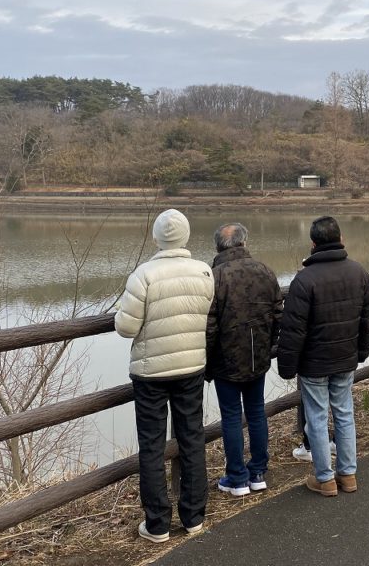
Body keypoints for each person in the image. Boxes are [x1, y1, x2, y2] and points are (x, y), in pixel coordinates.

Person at [115, 209, 214, 543]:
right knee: (192, 437)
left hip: (151, 372)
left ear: (156, 237)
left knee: (152, 445)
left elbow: (126, 327)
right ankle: (193, 516)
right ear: (185, 236)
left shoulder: (143, 275)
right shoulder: (203, 271)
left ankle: (157, 524)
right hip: (191, 366)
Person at [277, 216, 369, 496]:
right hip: (345, 357)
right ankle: (349, 474)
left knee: (316, 417)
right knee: (344, 413)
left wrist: (286, 366)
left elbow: (293, 330)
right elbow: (364, 319)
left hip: (314, 362)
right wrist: (362, 351)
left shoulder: (304, 280)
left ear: (313, 243)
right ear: (341, 239)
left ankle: (325, 478)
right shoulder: (358, 272)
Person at [204, 223, 283, 497]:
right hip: (257, 355)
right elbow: (277, 314)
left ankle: (237, 477)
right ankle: (258, 471)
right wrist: (269, 344)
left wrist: (207, 361)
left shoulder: (214, 277)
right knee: (256, 412)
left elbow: (210, 326)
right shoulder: (264, 270)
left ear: (218, 247)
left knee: (231, 416)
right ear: (244, 242)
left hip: (226, 360)